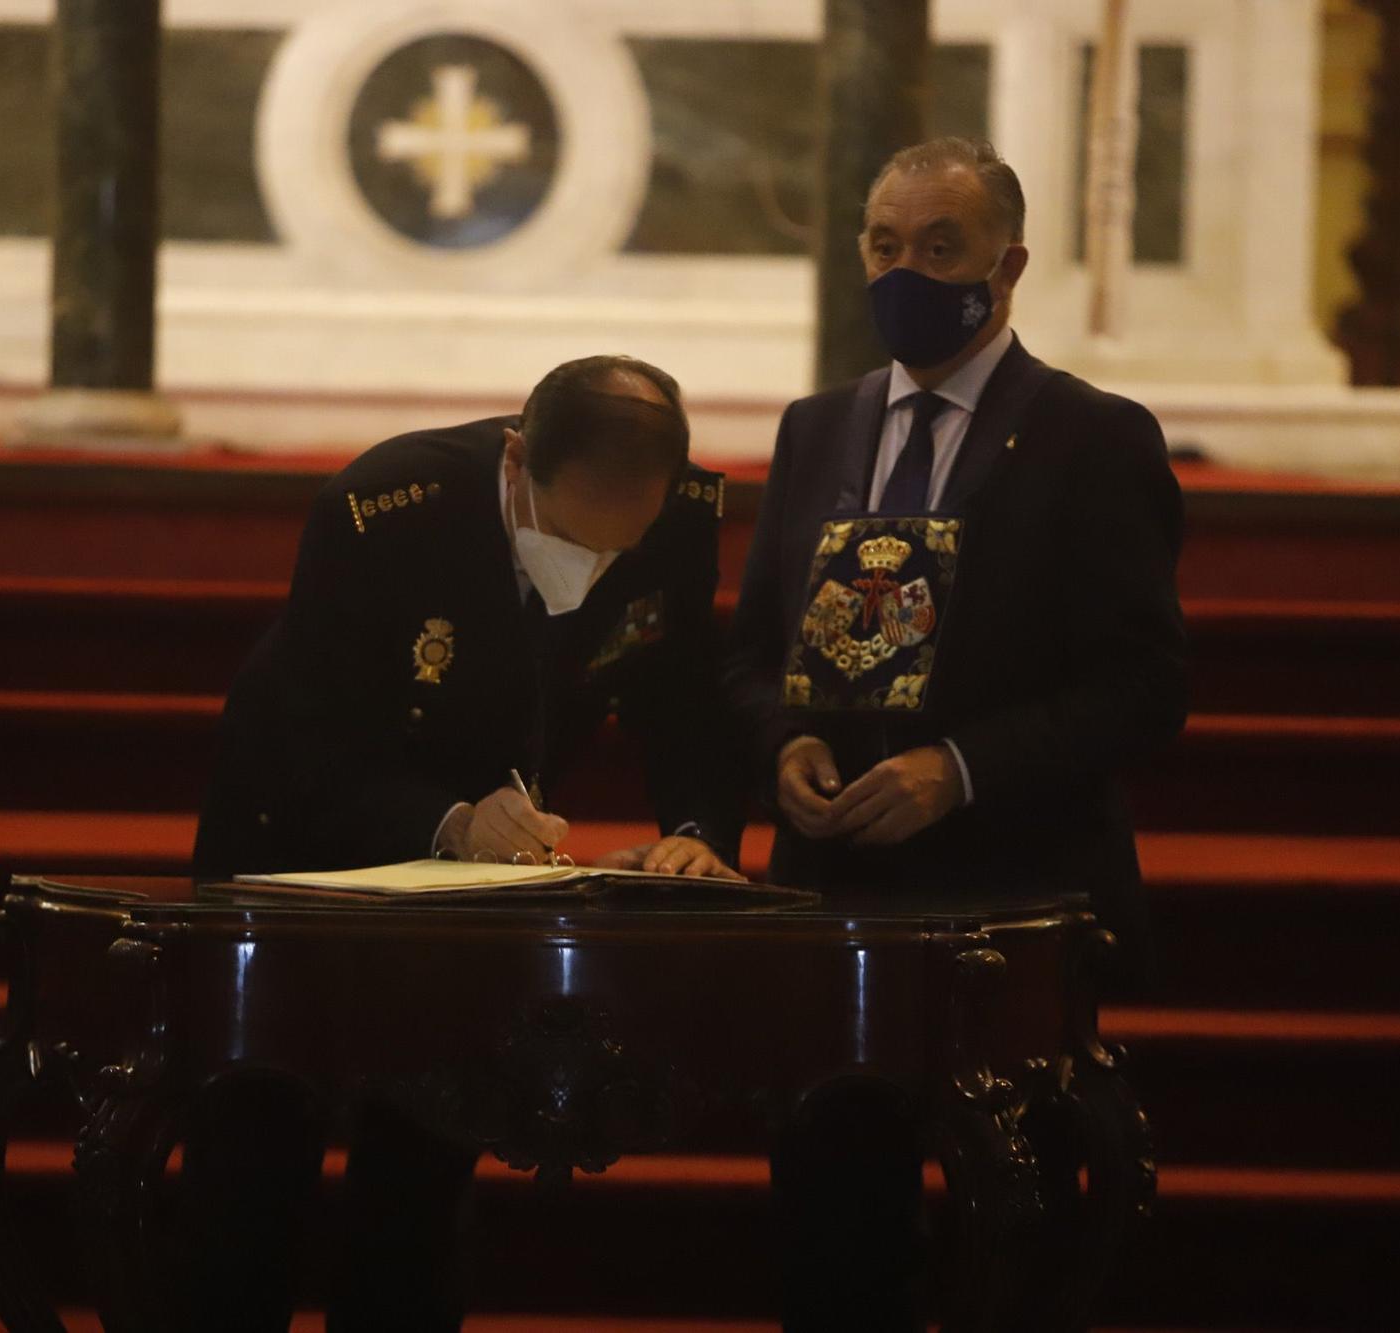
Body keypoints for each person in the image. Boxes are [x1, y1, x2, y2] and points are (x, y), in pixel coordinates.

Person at [723, 138, 1188, 1330]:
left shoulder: (1094, 436)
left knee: (1013, 1235)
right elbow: (752, 647)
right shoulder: (813, 428)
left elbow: (1143, 685)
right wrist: (780, 742)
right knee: (830, 1221)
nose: (906, 272)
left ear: (1008, 262)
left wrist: (958, 768)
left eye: (941, 249)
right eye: (884, 246)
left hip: (1009, 889)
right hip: (830, 888)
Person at [184, 354, 742, 1331]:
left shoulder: (684, 515)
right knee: (256, 1145)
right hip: (299, 833)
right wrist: (445, 819)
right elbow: (312, 736)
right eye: (573, 540)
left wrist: (691, 834)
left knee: (431, 1140)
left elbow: (681, 698)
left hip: (479, 875)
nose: (594, 570)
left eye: (622, 548)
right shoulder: (382, 508)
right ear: (518, 460)